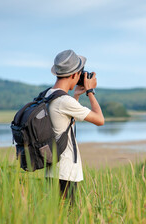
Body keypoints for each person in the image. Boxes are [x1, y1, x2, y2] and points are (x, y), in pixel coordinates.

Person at [45, 49, 104, 202]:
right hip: (65, 172)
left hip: (54, 170)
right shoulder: (64, 101)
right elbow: (99, 119)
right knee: (67, 215)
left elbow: (65, 122)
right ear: (74, 75)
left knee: (58, 214)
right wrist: (90, 91)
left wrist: (76, 95)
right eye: (80, 73)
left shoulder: (49, 94)